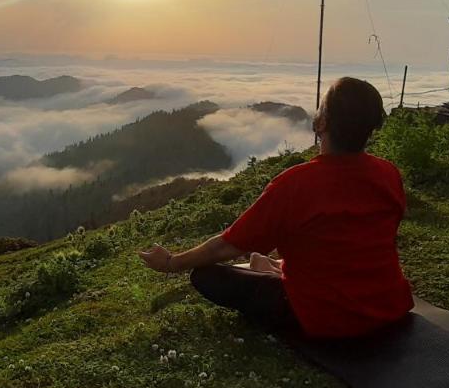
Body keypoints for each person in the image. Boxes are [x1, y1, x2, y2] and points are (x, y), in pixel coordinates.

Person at [138, 76, 412, 338]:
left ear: (321, 123)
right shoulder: (389, 174)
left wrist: (172, 263)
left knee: (207, 276)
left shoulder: (296, 183)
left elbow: (227, 245)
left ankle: (272, 270)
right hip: (388, 307)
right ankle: (274, 267)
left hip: (324, 317)